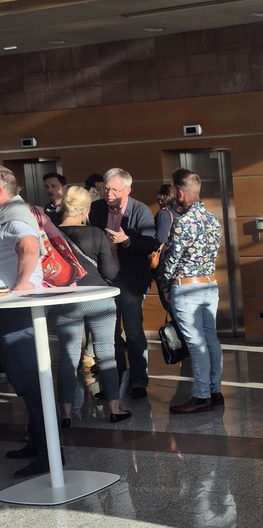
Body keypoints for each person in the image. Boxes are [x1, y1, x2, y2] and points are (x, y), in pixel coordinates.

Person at [51, 185, 131, 426]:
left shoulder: (51, 235)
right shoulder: (96, 233)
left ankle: (65, 415)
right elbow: (110, 272)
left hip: (66, 300)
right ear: (86, 209)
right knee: (106, 354)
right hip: (99, 300)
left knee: (68, 357)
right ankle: (114, 409)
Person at [89, 167, 157, 399]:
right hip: (104, 279)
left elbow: (149, 244)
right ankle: (114, 381)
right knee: (109, 333)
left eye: (114, 190)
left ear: (128, 190)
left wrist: (127, 241)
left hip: (129, 279)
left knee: (134, 332)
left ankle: (138, 381)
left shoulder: (140, 210)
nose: (109, 194)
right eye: (106, 189)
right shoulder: (97, 209)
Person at [162, 168, 224, 415]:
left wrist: (165, 286)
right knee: (210, 339)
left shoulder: (184, 222)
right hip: (209, 285)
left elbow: (172, 260)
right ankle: (214, 390)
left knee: (196, 344)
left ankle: (201, 397)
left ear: (179, 193)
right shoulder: (212, 219)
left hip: (187, 288)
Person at [0, 166, 48, 476]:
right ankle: (38, 442)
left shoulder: (13, 214)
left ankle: (48, 452)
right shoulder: (9, 212)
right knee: (25, 379)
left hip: (17, 310)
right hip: (13, 310)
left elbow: (30, 247)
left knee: (30, 380)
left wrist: (19, 288)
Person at [151, 183, 175, 314]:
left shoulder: (164, 214)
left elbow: (160, 238)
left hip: (165, 264)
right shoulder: (183, 213)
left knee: (169, 305)